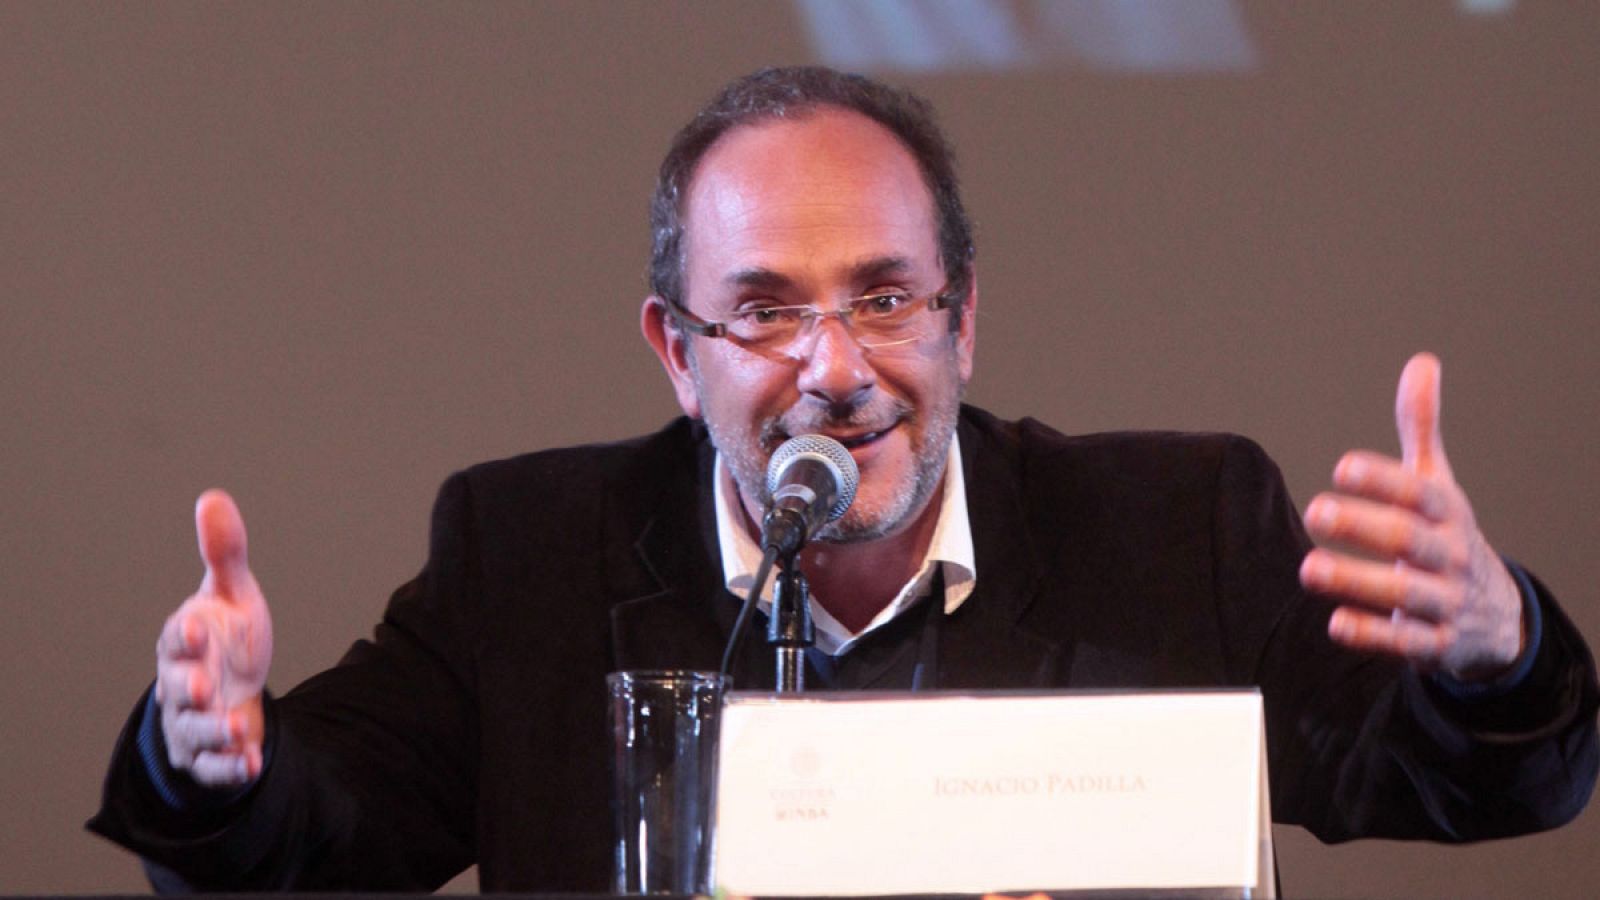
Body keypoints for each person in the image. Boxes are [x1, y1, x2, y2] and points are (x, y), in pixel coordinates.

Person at [89, 66, 1597, 891]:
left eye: (885, 297)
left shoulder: (1173, 526)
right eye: (764, 310)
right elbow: (320, 839)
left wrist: (1498, 651)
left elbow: (1480, 788)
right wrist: (211, 752)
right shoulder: (531, 554)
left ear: (964, 319)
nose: (833, 367)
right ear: (676, 353)